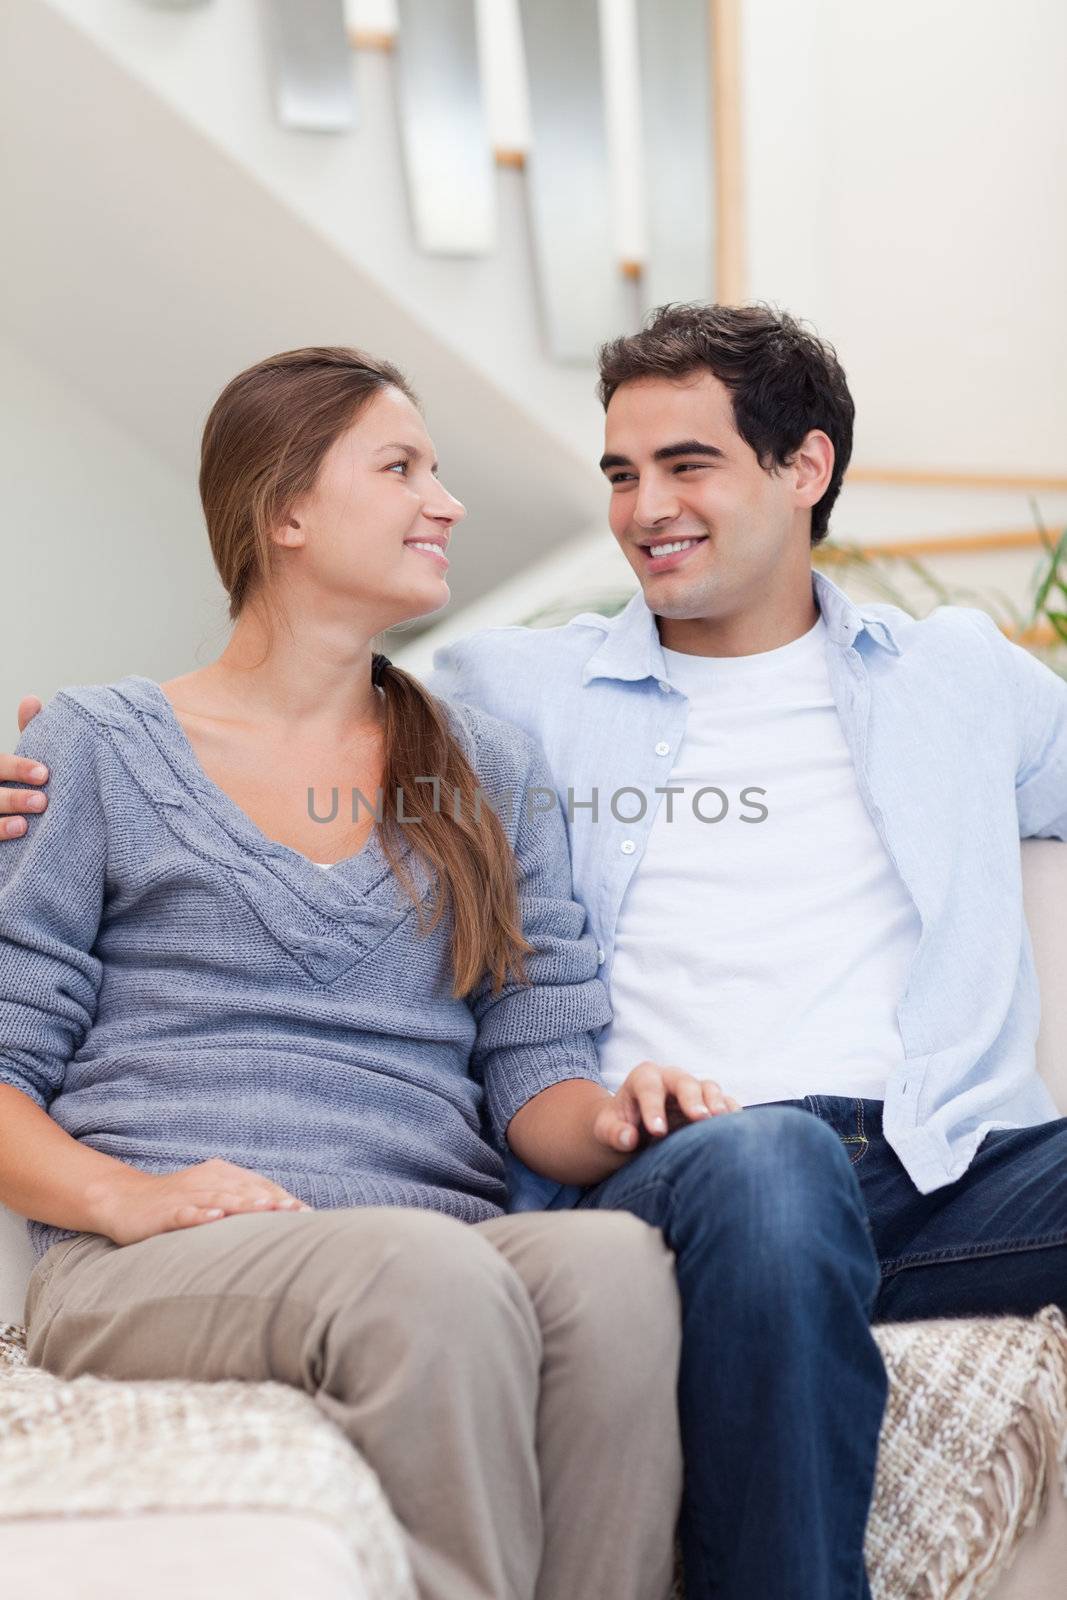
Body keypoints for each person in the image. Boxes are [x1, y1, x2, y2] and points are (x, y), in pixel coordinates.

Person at [12, 306, 1066, 1600]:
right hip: (710, 1170)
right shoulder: (506, 698)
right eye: (621, 473)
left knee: (673, 1243)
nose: (639, 508)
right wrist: (52, 755)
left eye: (684, 466)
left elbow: (523, 1043)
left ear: (803, 469)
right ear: (281, 509)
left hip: (935, 1159)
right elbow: (262, 715)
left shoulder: (949, 680)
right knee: (748, 1179)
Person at [0, 343, 731, 1600]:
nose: (444, 502)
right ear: (283, 509)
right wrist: (123, 1196)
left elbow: (535, 1080)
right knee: (423, 1271)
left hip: (422, 1245)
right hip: (157, 1260)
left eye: (437, 470)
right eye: (401, 467)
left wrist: (617, 1117)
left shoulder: (482, 769)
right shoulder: (95, 747)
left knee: (615, 1273)